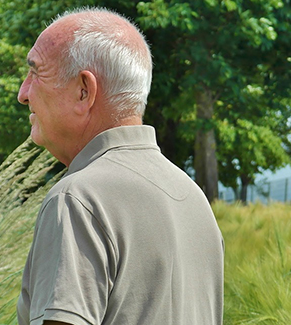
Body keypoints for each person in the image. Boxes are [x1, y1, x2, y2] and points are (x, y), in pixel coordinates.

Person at [16, 7, 224, 325]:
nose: (23, 93)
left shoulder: (77, 199)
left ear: (84, 91)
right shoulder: (193, 197)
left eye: (36, 73)